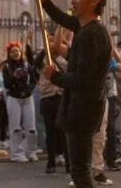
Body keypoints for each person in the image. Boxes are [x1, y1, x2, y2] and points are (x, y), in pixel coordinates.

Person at [32, 0, 111, 188]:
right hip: (78, 106)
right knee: (78, 170)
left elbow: (82, 79)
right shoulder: (82, 27)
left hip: (84, 108)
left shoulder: (93, 34)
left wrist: (54, 76)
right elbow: (61, 18)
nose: (73, 0)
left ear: (93, 1)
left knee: (80, 171)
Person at [36, 29, 68, 174]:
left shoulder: (63, 58)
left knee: (64, 131)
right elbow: (34, 64)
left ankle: (68, 162)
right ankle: (51, 162)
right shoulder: (43, 57)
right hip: (47, 97)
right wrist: (45, 49)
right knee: (50, 131)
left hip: (61, 95)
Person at [1, 35, 38, 163]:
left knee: (31, 127)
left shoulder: (27, 65)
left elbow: (34, 80)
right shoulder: (6, 67)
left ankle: (31, 151)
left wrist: (29, 90)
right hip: (14, 98)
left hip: (27, 98)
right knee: (15, 127)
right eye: (12, 51)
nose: (15, 53)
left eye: (17, 51)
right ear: (9, 54)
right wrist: (14, 77)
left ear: (20, 52)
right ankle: (16, 153)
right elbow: (6, 84)